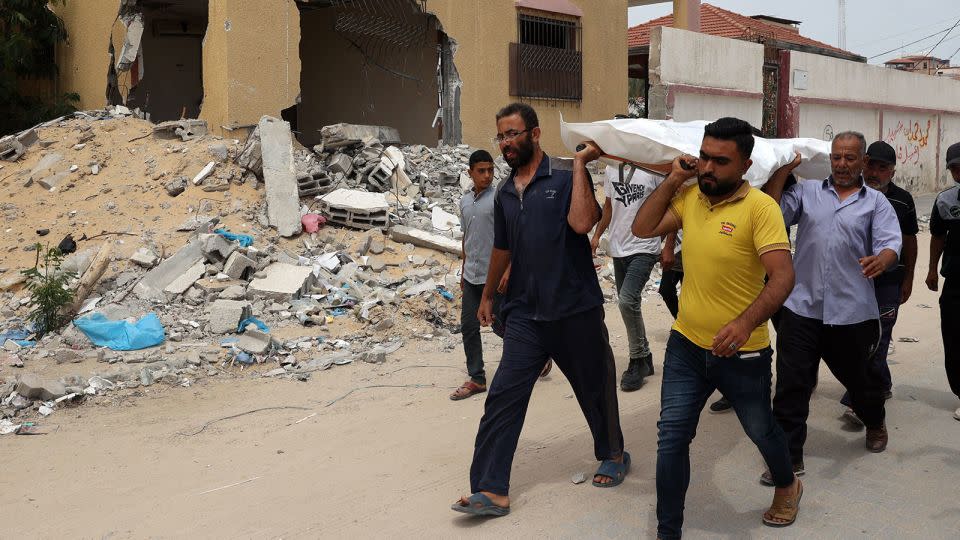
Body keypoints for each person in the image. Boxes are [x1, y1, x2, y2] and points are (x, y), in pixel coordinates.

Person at [452, 103, 627, 517]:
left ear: (534, 134)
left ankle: (613, 453)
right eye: (501, 136)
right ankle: (491, 489)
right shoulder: (505, 194)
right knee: (503, 397)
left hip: (574, 308)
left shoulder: (566, 177)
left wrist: (582, 163)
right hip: (527, 314)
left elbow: (584, 222)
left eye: (513, 134)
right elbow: (502, 247)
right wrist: (490, 294)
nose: (506, 143)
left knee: (594, 388)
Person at [631, 117, 802, 538]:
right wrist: (674, 180)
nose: (707, 168)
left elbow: (783, 277)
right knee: (671, 438)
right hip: (686, 345)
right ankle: (668, 531)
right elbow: (642, 228)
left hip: (743, 353)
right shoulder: (692, 198)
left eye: (720, 161)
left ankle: (787, 483)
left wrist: (745, 323)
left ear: (745, 164)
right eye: (704, 157)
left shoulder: (760, 210)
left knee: (760, 428)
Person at [764, 132, 902, 477]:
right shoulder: (808, 192)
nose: (842, 165)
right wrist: (783, 171)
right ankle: (788, 458)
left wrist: (882, 261)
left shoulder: (875, 203)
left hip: (851, 313)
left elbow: (891, 243)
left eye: (850, 158)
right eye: (837, 157)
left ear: (863, 162)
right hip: (802, 308)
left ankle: (875, 420)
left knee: (860, 382)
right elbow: (771, 215)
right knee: (791, 385)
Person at [840, 141, 918, 424]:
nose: (874, 172)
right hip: (854, 282)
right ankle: (881, 383)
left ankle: (857, 402)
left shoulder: (903, 200)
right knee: (855, 340)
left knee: (878, 340)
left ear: (892, 171)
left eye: (882, 167)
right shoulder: (849, 193)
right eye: (870, 164)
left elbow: (909, 241)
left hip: (888, 283)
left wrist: (908, 278)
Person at [590, 162, 665, 390]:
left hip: (645, 246)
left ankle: (637, 361)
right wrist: (597, 236)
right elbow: (609, 207)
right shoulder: (612, 168)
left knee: (627, 301)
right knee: (631, 306)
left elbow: (668, 206)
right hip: (619, 247)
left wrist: (668, 243)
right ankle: (645, 358)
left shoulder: (653, 169)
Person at [450, 150, 504, 401]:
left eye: (490, 170)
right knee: (469, 327)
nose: (487, 175)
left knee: (502, 325)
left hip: (494, 275)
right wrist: (463, 269)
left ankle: (537, 357)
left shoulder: (499, 199)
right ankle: (477, 377)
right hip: (472, 275)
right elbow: (467, 237)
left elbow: (510, 238)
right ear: (470, 172)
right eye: (481, 171)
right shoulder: (464, 201)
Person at [926, 142, 960, 421]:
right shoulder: (946, 201)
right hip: (956, 283)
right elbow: (937, 237)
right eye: (955, 168)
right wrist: (931, 270)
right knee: (954, 338)